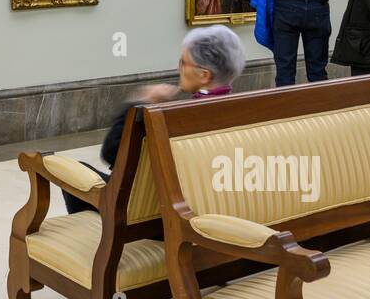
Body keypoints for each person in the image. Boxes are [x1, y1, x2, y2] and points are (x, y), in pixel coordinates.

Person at [62, 26, 246, 214]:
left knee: (72, 172)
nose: (179, 68)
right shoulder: (244, 111)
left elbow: (111, 152)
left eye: (183, 62)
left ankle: (99, 238)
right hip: (213, 208)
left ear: (204, 75)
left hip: (158, 215)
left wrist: (140, 102)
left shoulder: (178, 117)